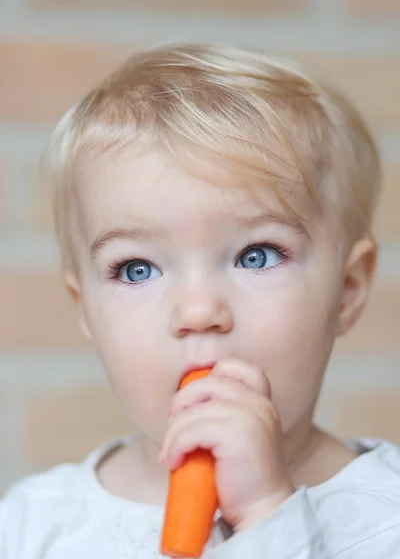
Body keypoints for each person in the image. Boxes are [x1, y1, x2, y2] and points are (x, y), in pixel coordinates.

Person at [1, 41, 399, 558]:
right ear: (86, 309)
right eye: (137, 269)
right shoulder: (34, 524)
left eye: (256, 256)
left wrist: (265, 515)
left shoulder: (384, 517)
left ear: (347, 290)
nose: (198, 311)